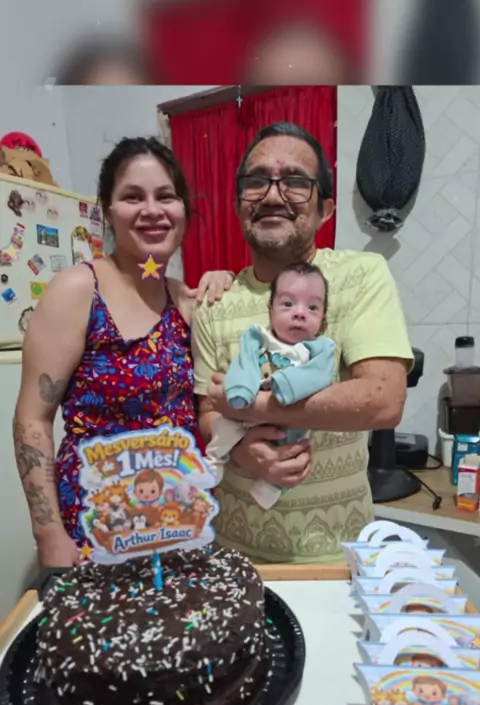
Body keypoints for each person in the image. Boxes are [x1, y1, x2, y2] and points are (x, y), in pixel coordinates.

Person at [192, 121, 413, 564]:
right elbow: (208, 411)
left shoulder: (361, 275)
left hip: (340, 558)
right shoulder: (215, 302)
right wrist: (240, 450)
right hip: (234, 555)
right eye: (257, 181)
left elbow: (384, 399)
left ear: (325, 208)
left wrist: (254, 407)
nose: (273, 195)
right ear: (238, 205)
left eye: (295, 181)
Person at [13, 136, 233, 569]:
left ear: (183, 210)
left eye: (165, 196)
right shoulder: (78, 289)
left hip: (178, 522)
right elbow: (31, 419)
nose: (152, 210)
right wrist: (48, 533)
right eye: (133, 196)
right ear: (109, 210)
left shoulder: (183, 299)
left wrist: (227, 285)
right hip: (97, 530)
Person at [204, 261, 335, 509]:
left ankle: (269, 490)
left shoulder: (318, 350)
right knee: (223, 427)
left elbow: (319, 375)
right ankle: (214, 460)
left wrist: (286, 385)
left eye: (312, 307)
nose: (299, 313)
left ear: (322, 319)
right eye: (287, 304)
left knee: (295, 455)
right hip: (244, 412)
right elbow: (244, 363)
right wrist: (240, 389)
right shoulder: (257, 338)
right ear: (270, 310)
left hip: (290, 422)